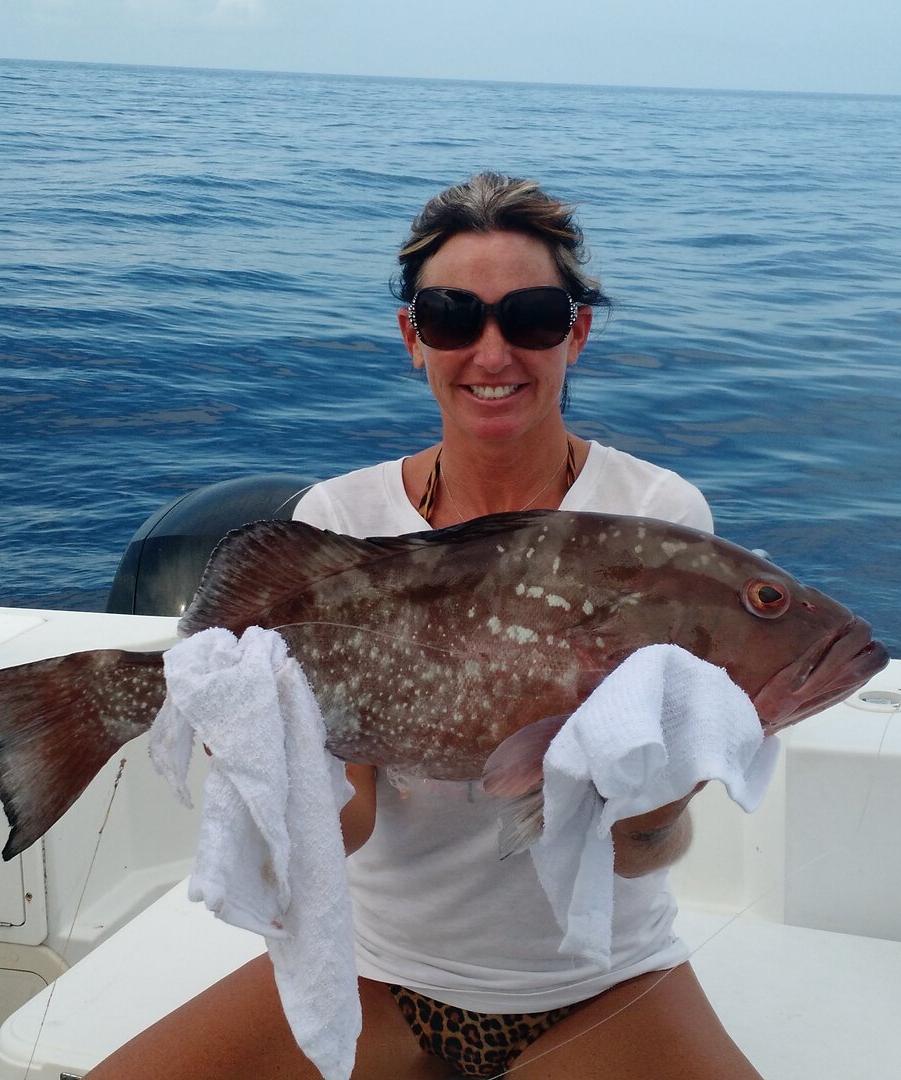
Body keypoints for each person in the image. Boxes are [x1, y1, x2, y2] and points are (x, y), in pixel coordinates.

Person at [87, 173, 761, 1079]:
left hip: (602, 979)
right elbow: (348, 826)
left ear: (577, 334)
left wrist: (666, 797)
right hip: (377, 968)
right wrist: (263, 757)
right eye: (452, 317)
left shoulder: (656, 519)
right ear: (413, 337)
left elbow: (639, 856)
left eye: (532, 317)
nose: (493, 352)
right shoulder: (342, 518)